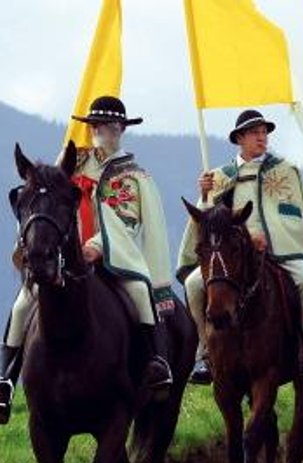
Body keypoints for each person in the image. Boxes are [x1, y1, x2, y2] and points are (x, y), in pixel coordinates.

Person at [1, 96, 174, 423]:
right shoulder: (74, 161)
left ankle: (157, 362)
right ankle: (6, 378)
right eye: (95, 126)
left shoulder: (135, 176)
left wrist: (97, 246)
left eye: (108, 126)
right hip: (64, 255)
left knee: (138, 292)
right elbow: (47, 201)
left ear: (121, 129)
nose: (100, 132)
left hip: (112, 257)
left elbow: (127, 220)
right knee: (25, 302)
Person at [178, 110, 303, 382]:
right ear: (240, 138)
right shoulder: (218, 176)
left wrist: (270, 237)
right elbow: (207, 220)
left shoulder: (285, 171)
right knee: (193, 285)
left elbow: (292, 214)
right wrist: (204, 194)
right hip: (231, 254)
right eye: (255, 132)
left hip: (278, 249)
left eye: (264, 132)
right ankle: (204, 350)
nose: (262, 137)